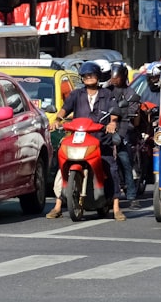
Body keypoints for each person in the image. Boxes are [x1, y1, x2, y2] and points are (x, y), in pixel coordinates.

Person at [45, 61, 125, 221]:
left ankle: (116, 207)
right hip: (79, 139)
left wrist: (112, 122)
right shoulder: (76, 95)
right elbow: (65, 108)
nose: (88, 78)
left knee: (111, 167)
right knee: (64, 166)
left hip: (101, 140)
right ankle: (58, 206)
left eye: (91, 75)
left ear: (98, 76)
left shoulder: (107, 94)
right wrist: (57, 120)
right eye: (85, 76)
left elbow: (114, 111)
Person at [107, 63, 141, 208]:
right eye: (112, 76)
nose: (114, 79)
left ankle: (132, 196)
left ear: (123, 77)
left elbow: (131, 111)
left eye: (117, 77)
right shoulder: (106, 91)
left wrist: (119, 114)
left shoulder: (131, 93)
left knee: (125, 160)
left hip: (123, 128)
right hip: (105, 127)